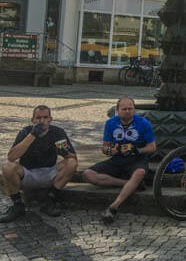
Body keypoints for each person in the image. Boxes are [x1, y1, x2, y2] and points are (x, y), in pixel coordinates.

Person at [82, 96, 156, 224]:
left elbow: (152, 147)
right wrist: (110, 150)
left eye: (130, 108)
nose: (127, 111)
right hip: (116, 160)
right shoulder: (111, 123)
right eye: (124, 109)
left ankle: (113, 207)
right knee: (87, 175)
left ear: (134, 110)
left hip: (136, 159)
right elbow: (105, 147)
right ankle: (130, 184)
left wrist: (136, 150)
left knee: (140, 173)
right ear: (117, 110)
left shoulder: (143, 123)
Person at [0, 105, 77, 221]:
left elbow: (73, 158)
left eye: (45, 117)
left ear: (50, 119)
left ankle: (50, 200)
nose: (42, 121)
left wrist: (65, 153)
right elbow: (11, 157)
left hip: (50, 172)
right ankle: (17, 206)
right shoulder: (25, 132)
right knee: (7, 167)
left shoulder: (58, 132)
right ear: (33, 120)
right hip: (28, 173)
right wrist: (32, 135)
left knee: (71, 163)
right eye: (38, 118)